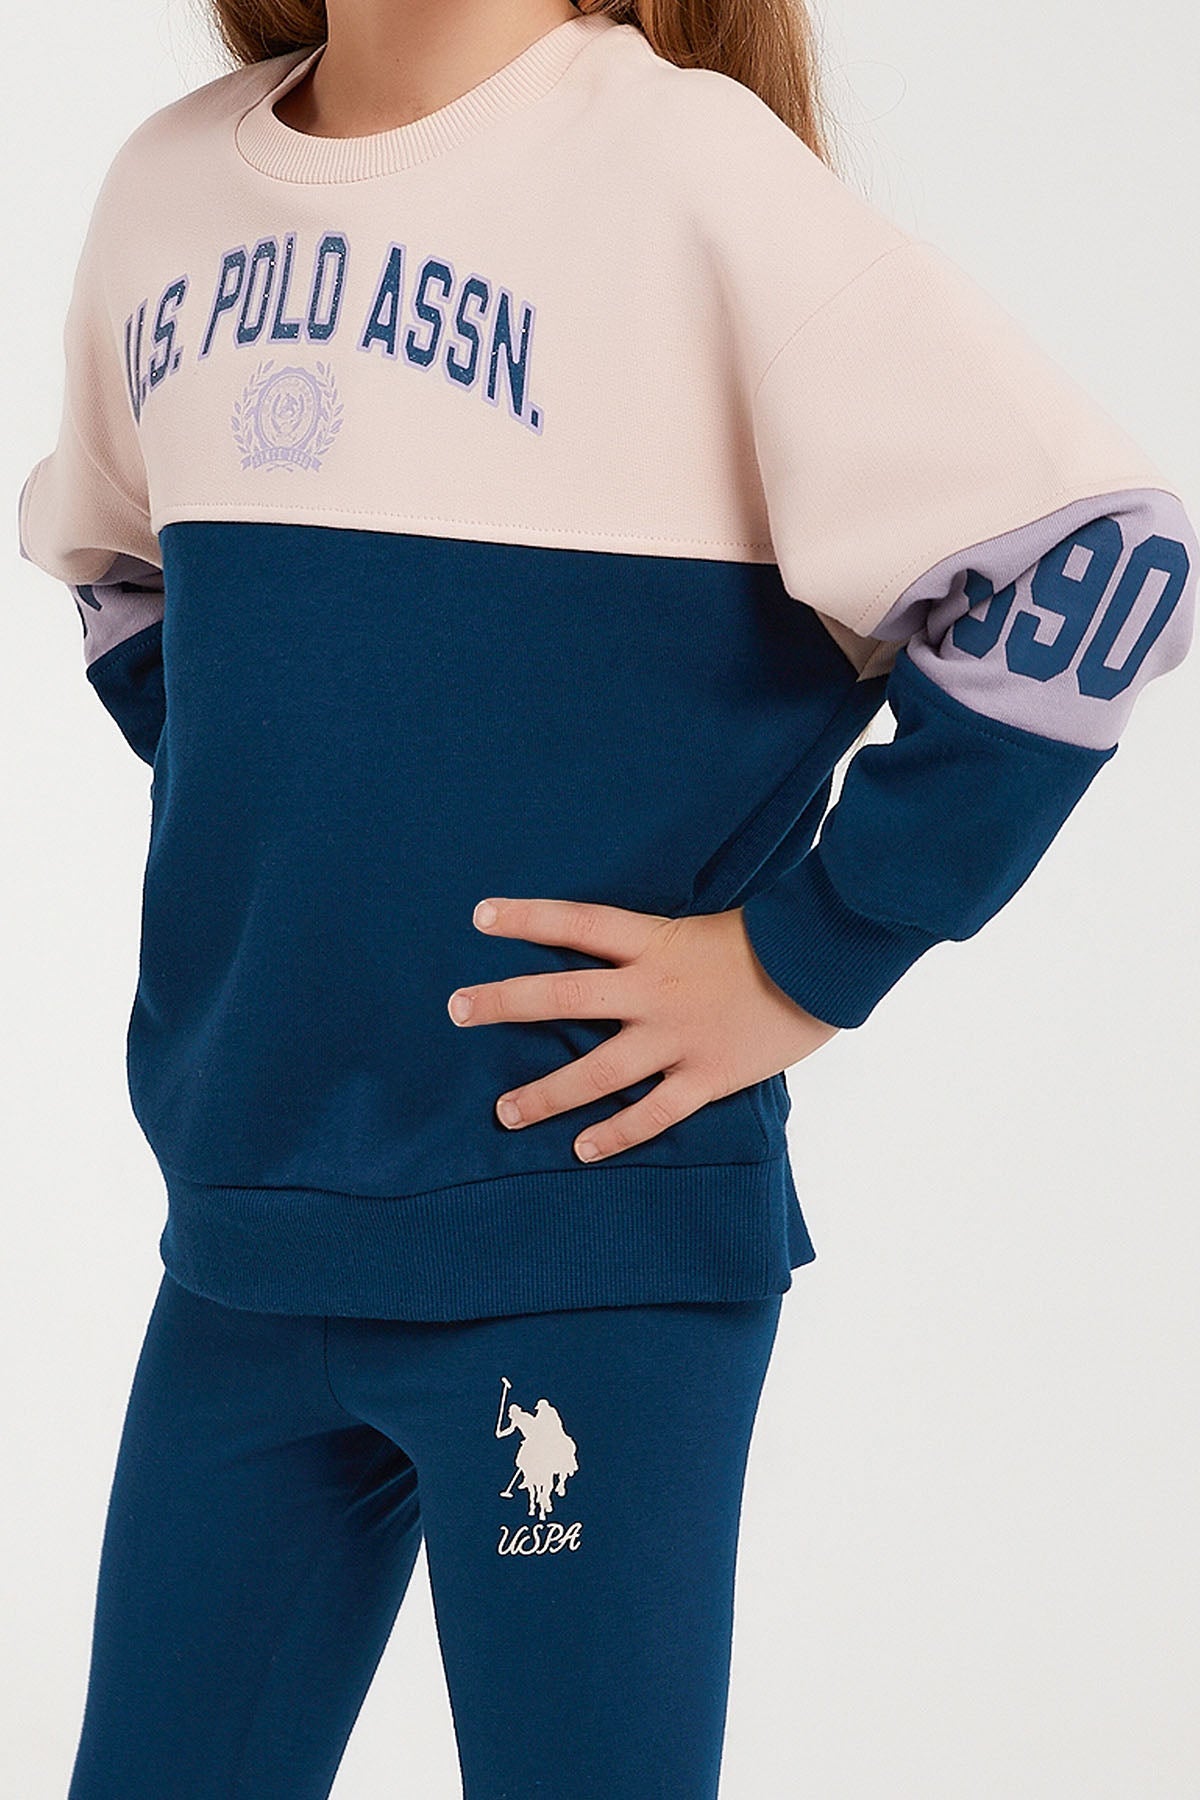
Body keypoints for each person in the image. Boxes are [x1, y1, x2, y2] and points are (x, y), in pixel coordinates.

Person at [16, 0, 1196, 1794]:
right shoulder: (168, 187)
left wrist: (809, 954)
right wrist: (289, 840)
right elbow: (114, 557)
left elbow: (1100, 557)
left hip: (586, 1247)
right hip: (246, 1241)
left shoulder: (687, 169)